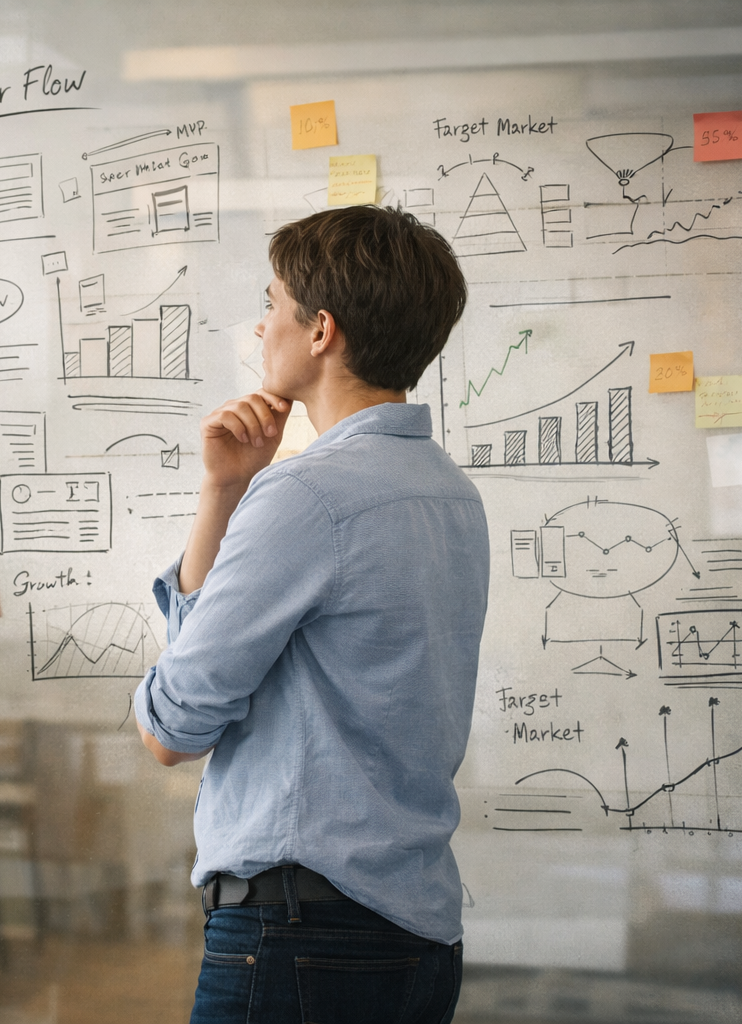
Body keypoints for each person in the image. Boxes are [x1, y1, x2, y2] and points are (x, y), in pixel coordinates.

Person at [133, 205, 488, 1023]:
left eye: (273, 303)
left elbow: (170, 730)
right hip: (413, 933)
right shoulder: (449, 492)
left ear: (320, 329)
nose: (261, 326)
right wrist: (226, 488)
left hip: (301, 935)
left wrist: (242, 492)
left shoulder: (310, 495)